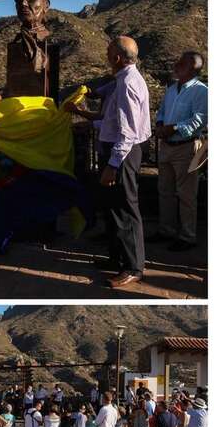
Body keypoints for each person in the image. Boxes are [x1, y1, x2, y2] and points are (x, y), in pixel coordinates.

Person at [67, 36, 151, 288]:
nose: (105, 55)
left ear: (117, 58)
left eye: (108, 52)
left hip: (123, 153)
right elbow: (111, 115)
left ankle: (134, 267)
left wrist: (113, 165)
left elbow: (128, 131)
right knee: (113, 207)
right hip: (116, 149)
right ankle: (117, 258)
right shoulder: (120, 80)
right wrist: (88, 97)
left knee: (126, 209)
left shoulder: (128, 84)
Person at [148, 51, 208, 251]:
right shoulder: (172, 88)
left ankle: (187, 236)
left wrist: (172, 128)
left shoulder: (202, 91)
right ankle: (167, 230)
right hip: (167, 146)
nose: (176, 65)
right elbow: (163, 110)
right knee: (165, 191)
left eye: (180, 63)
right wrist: (160, 124)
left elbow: (199, 119)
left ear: (192, 67)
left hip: (187, 146)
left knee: (186, 194)